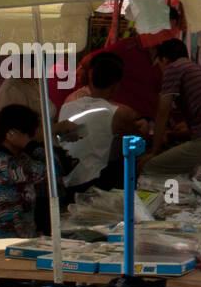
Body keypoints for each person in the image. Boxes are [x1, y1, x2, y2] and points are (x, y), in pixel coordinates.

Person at [141, 39, 201, 177]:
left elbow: (163, 111)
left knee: (150, 167)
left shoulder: (174, 68)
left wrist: (154, 151)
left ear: (164, 59)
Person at [59, 53, 142, 192]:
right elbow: (137, 140)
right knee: (128, 160)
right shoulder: (118, 112)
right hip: (88, 181)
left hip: (63, 179)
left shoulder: (68, 105)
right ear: (116, 85)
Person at [0, 105, 47, 243]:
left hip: (9, 239)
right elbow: (53, 171)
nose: (33, 138)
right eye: (28, 134)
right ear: (10, 134)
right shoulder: (4, 163)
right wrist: (32, 146)